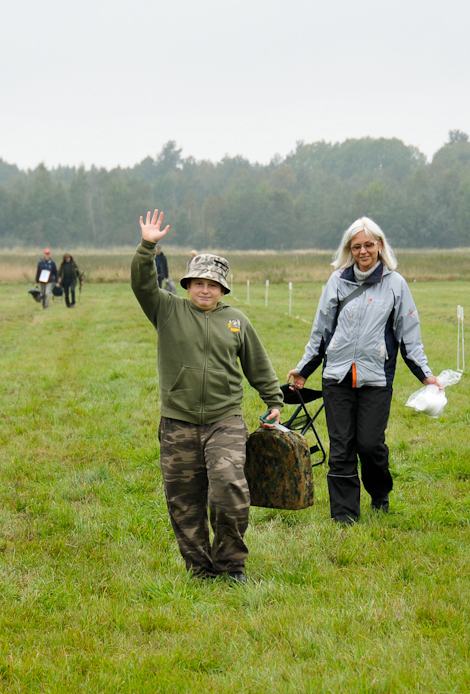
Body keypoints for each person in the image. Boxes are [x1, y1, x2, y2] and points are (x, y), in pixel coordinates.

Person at [132, 210, 283, 583]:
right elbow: (142, 284)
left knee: (230, 488)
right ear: (187, 285)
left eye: (212, 284)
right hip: (178, 421)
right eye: (198, 282)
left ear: (223, 289)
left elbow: (258, 365)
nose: (204, 289)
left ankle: (231, 565)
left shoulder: (237, 321)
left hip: (224, 420)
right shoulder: (167, 310)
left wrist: (274, 401)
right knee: (184, 501)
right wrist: (147, 246)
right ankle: (199, 569)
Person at [286, 216, 438, 525]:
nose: (363, 251)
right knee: (341, 448)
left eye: (369, 244)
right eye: (357, 246)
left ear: (380, 245)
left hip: (376, 379)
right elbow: (321, 331)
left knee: (369, 444)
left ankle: (379, 492)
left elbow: (408, 335)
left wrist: (426, 375)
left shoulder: (396, 284)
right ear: (349, 249)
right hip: (337, 378)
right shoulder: (337, 281)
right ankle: (344, 516)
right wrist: (304, 370)